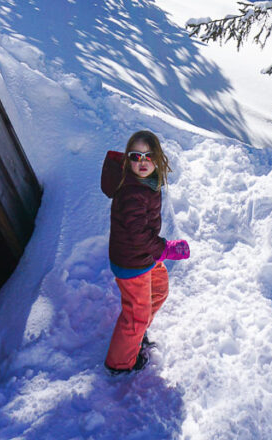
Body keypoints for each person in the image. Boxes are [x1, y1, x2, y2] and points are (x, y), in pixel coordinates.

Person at [101, 130, 190, 374]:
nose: (142, 162)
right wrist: (166, 249)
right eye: (135, 156)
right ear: (128, 159)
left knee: (159, 289)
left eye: (148, 156)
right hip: (133, 262)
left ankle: (136, 334)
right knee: (135, 316)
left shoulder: (146, 183)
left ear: (158, 158)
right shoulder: (132, 192)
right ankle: (119, 364)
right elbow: (138, 235)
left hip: (144, 257)